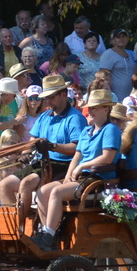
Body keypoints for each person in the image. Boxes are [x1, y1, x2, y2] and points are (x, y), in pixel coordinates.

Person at [30, 90, 121, 247]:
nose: (89, 111)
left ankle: (48, 235)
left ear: (106, 109)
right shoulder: (87, 131)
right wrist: (69, 174)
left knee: (57, 192)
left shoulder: (110, 130)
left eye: (94, 108)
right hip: (82, 176)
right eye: (89, 108)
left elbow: (107, 158)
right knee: (43, 191)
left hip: (99, 179)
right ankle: (49, 233)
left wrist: (80, 167)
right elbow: (77, 156)